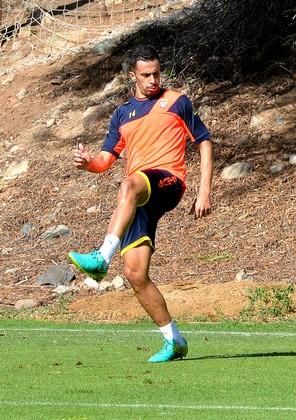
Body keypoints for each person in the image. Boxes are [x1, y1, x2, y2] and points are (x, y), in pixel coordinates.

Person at [67, 45, 214, 363]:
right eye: (146, 74)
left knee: (130, 182)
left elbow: (204, 141)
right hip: (137, 199)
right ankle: (174, 340)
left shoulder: (177, 102)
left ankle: (101, 257)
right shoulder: (121, 114)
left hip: (167, 182)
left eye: (157, 73)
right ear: (132, 75)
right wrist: (87, 161)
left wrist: (203, 192)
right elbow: (105, 161)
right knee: (135, 274)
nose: (153, 79)